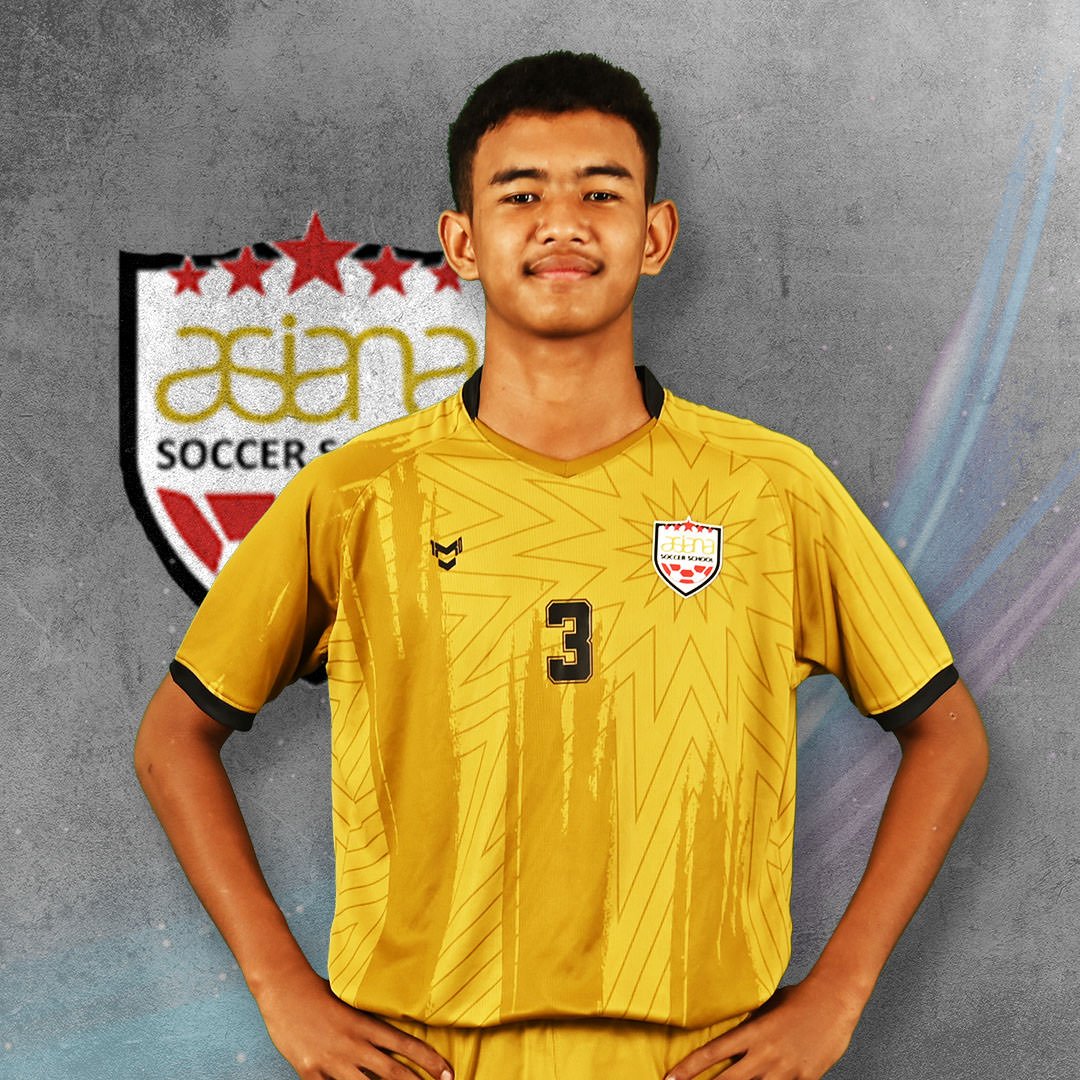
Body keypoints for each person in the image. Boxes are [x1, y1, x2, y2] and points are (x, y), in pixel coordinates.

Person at [135, 51, 989, 1080]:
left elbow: (948, 735)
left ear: (655, 235)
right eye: (521, 193)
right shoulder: (359, 494)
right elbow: (173, 738)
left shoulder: (771, 490)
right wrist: (281, 988)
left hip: (700, 1055)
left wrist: (840, 992)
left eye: (599, 192)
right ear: (462, 241)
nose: (562, 223)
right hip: (426, 1053)